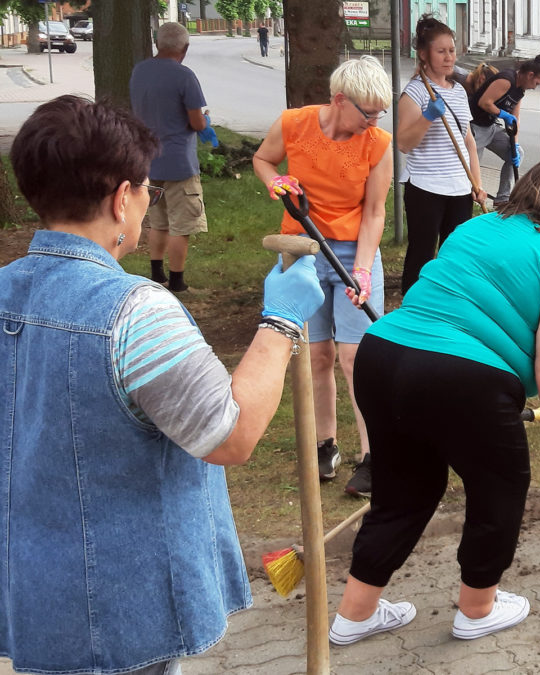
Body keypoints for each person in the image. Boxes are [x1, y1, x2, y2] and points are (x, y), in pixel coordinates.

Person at [0, 95, 324, 675]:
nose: (148, 201)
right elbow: (230, 434)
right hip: (122, 609)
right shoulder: (133, 311)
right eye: (146, 188)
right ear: (121, 198)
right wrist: (281, 322)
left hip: (33, 594)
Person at [329, 157, 540, 645]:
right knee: (498, 488)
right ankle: (477, 609)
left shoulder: (474, 227)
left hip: (384, 354)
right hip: (463, 376)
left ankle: (354, 615)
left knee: (402, 492)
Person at [252, 56, 393, 496]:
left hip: (353, 254)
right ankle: (324, 445)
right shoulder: (294, 124)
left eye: (378, 114)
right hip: (302, 251)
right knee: (316, 356)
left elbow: (374, 212)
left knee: (357, 358)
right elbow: (263, 159)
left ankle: (374, 457)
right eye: (367, 112)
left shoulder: (378, 143)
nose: (373, 122)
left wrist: (364, 270)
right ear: (339, 99)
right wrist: (275, 182)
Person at [398, 14, 485, 295]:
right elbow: (403, 143)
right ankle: (413, 307)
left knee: (456, 255)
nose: (449, 57)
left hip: (460, 188)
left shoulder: (459, 91)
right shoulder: (415, 92)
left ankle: (448, 306)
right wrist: (427, 117)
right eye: (441, 51)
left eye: (451, 50)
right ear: (424, 55)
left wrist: (477, 183)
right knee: (422, 253)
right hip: (426, 187)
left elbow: (468, 141)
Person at [129, 21, 211, 293]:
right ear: (184, 48)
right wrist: (205, 122)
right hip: (179, 163)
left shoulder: (139, 71)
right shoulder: (184, 76)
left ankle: (156, 275)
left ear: (157, 44)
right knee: (181, 224)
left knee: (158, 221)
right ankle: (178, 282)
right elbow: (197, 123)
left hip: (149, 160)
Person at [467, 56, 540, 205]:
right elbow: (484, 102)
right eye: (536, 82)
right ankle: (467, 203)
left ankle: (502, 199)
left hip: (490, 127)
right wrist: (503, 114)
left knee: (517, 154)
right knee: (472, 176)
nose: (535, 87)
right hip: (473, 128)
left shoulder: (520, 90)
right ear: (530, 75)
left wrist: (514, 144)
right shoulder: (506, 80)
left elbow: (515, 119)